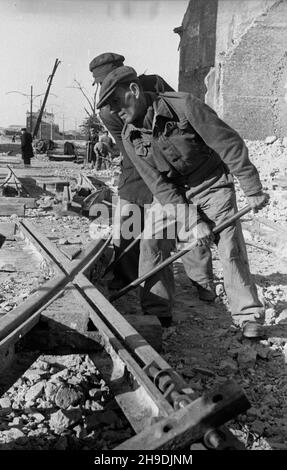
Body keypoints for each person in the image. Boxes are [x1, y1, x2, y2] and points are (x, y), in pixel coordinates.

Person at [96, 65, 269, 338]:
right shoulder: (130, 136)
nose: (115, 111)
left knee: (229, 243)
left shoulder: (185, 105)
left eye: (117, 101)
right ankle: (157, 312)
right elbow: (158, 185)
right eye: (110, 106)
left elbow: (229, 144)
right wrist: (193, 221)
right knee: (152, 240)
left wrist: (252, 187)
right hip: (173, 192)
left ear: (134, 89)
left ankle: (248, 314)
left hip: (212, 183)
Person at [89, 54, 214, 328]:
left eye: (104, 82)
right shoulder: (119, 103)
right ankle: (136, 278)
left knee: (176, 224)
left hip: (161, 165)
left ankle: (195, 282)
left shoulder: (143, 89)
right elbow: (129, 146)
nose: (103, 90)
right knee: (143, 225)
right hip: (147, 164)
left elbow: (178, 117)